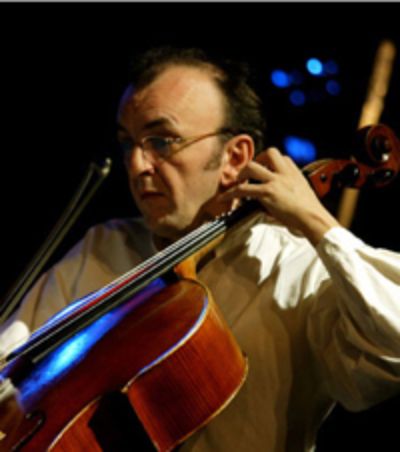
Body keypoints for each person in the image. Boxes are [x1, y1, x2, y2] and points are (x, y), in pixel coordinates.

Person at [1, 46, 400, 451]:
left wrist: (318, 224)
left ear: (235, 156)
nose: (138, 165)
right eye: (128, 143)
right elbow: (9, 362)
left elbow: (393, 348)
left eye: (161, 141)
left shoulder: (298, 269)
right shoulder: (104, 247)